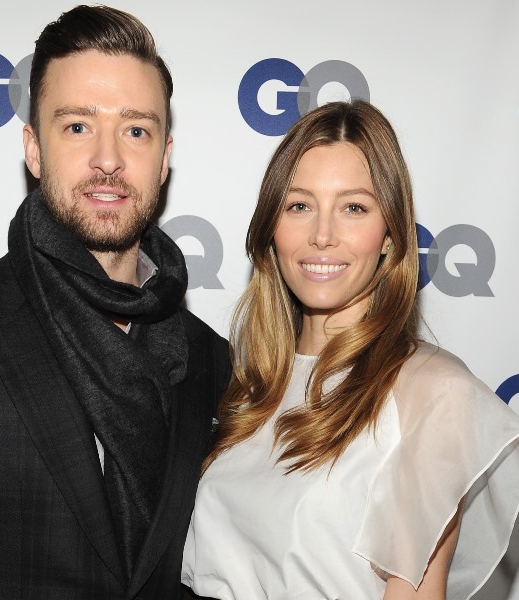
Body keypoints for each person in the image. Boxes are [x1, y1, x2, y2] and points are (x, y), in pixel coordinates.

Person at [0, 5, 230, 599]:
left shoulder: (210, 358)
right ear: (34, 150)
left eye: (136, 130)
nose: (108, 159)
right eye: (78, 126)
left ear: (164, 158)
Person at [181, 100, 519, 600]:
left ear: (389, 235)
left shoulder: (433, 393)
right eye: (299, 206)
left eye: (353, 208)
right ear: (272, 228)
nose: (322, 235)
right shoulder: (251, 388)